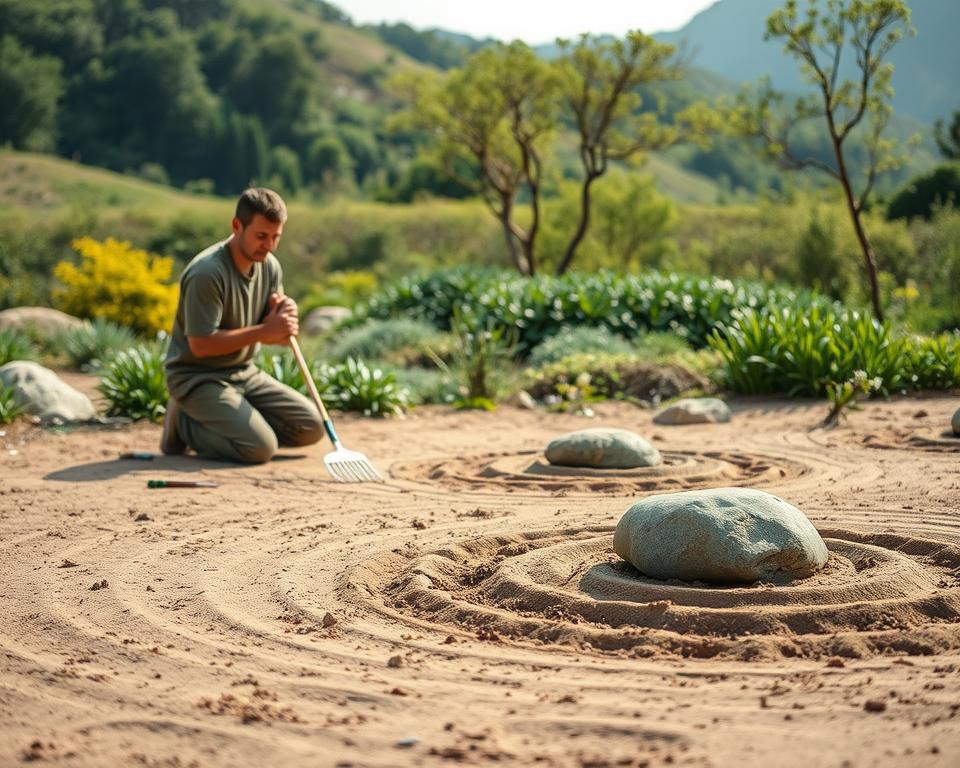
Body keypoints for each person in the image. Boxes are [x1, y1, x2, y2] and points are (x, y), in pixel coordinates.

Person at [161, 188, 324, 463]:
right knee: (259, 449)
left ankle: (240, 427)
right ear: (237, 226)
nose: (269, 245)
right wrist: (264, 332)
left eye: (276, 237)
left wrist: (284, 323)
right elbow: (200, 346)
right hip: (196, 378)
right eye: (261, 236)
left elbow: (278, 336)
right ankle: (184, 425)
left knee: (311, 428)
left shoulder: (269, 266)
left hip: (244, 373)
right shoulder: (207, 273)